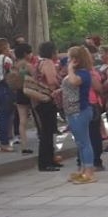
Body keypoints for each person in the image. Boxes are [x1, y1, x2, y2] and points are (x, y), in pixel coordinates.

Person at [61, 45, 98, 184]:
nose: (68, 60)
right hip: (72, 111)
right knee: (80, 142)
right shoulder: (78, 73)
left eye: (70, 58)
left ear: (76, 60)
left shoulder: (83, 74)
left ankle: (89, 171)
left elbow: (74, 82)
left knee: (84, 142)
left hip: (80, 111)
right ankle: (83, 168)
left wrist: (70, 68)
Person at [32, 42, 62, 172]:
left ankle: (50, 159)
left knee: (47, 132)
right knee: (47, 132)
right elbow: (51, 80)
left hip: (41, 100)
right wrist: (60, 82)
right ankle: (46, 162)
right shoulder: (48, 63)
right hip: (47, 99)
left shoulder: (39, 62)